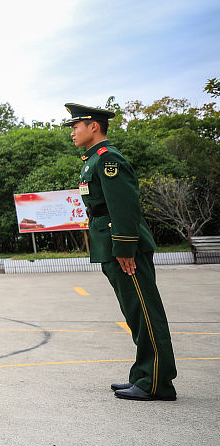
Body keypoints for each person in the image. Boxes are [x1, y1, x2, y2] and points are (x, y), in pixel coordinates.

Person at [65, 103, 178, 401]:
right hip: (111, 246)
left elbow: (124, 206)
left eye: (76, 126)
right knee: (135, 313)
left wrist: (125, 248)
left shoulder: (108, 159)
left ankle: (157, 382)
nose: (72, 132)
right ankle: (143, 375)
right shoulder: (93, 160)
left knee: (145, 313)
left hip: (124, 248)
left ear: (94, 127)